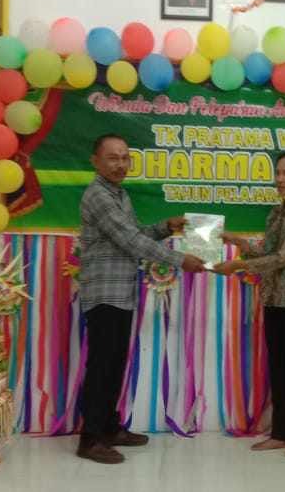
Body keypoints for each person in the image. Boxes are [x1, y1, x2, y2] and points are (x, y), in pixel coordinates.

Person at [76, 133, 206, 465]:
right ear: (95, 161)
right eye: (112, 158)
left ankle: (109, 428)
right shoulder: (98, 196)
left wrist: (166, 226)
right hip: (104, 293)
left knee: (114, 364)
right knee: (102, 366)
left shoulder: (119, 194)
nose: (120, 164)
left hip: (121, 293)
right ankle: (90, 439)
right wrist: (180, 260)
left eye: (125, 158)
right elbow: (131, 241)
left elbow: (135, 235)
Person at [214, 151, 285, 457]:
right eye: (278, 173)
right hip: (273, 298)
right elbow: (267, 251)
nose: (280, 179)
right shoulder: (276, 213)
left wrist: (238, 266)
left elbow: (283, 258)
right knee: (278, 367)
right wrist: (238, 242)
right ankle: (280, 433)